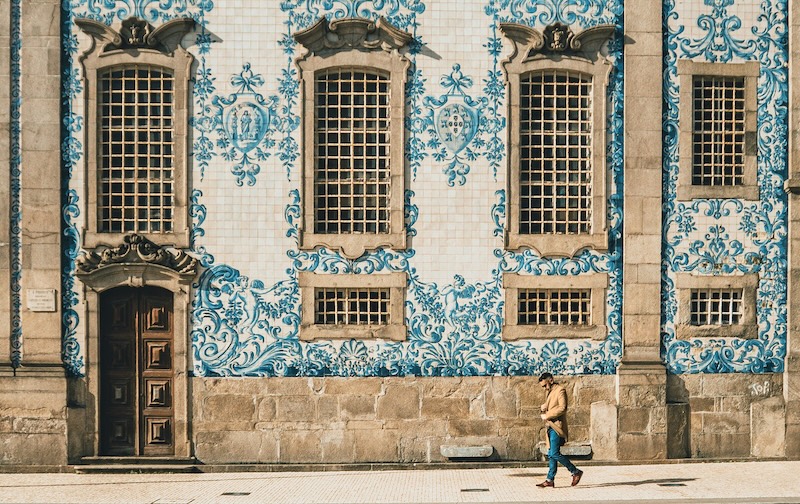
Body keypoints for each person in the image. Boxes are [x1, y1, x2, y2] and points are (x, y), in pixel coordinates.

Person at [535, 372, 583, 488]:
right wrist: (544, 406)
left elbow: (562, 408)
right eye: (543, 386)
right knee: (551, 454)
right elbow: (552, 405)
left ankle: (575, 471)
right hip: (550, 426)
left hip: (557, 426)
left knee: (554, 453)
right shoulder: (550, 391)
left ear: (551, 380)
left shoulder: (561, 390)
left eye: (545, 385)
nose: (544, 388)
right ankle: (550, 479)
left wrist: (547, 415)